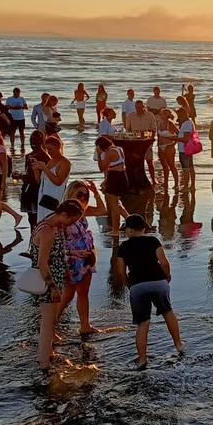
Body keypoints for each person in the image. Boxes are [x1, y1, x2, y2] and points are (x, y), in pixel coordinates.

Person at [114, 213, 185, 370]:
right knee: (168, 312)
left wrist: (129, 286)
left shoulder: (123, 247)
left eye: (126, 229)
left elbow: (121, 272)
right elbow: (164, 263)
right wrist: (166, 278)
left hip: (138, 286)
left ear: (131, 230)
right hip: (159, 282)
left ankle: (142, 360)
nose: (125, 232)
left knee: (143, 323)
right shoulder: (153, 241)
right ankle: (179, 345)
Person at [29, 198, 84, 370]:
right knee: (47, 323)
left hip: (56, 278)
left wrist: (73, 252)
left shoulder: (53, 226)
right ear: (64, 214)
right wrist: (52, 288)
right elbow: (42, 263)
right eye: (71, 220)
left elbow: (55, 251)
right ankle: (44, 363)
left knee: (51, 322)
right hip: (48, 282)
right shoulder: (47, 231)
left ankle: (48, 355)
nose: (71, 225)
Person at [58, 180, 107, 336]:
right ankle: (49, 326)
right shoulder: (64, 213)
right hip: (72, 260)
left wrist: (95, 192)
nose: (83, 197)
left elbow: (102, 210)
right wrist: (65, 264)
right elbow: (57, 242)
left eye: (86, 195)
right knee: (67, 296)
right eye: (79, 194)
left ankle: (85, 325)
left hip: (86, 257)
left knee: (83, 292)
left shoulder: (82, 211)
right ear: (70, 193)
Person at [34, 135, 71, 222]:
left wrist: (45, 168)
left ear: (58, 147)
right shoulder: (51, 161)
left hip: (55, 198)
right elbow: (40, 182)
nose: (48, 152)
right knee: (43, 223)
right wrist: (35, 170)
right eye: (47, 149)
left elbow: (58, 182)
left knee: (53, 224)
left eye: (50, 149)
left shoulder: (64, 162)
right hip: (43, 199)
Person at [19, 130, 50, 229]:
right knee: (30, 217)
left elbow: (42, 178)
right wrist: (21, 176)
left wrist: (22, 176)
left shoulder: (45, 157)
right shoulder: (28, 156)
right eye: (31, 139)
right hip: (28, 189)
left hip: (38, 190)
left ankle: (38, 237)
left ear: (41, 141)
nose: (33, 142)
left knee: (38, 217)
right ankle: (34, 237)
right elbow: (28, 173)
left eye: (36, 140)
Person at [125, 100, 158, 185]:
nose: (138, 109)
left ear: (144, 107)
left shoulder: (150, 115)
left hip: (146, 143)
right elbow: (128, 130)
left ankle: (153, 179)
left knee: (150, 161)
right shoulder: (130, 116)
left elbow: (154, 130)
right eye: (136, 107)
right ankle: (137, 180)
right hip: (134, 143)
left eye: (140, 107)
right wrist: (136, 135)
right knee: (137, 163)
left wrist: (145, 135)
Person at [174, 107, 197, 191]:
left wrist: (175, 139)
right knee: (190, 167)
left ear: (183, 115)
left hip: (184, 149)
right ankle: (192, 185)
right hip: (188, 148)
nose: (178, 118)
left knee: (186, 169)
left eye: (179, 116)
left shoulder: (187, 124)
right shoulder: (189, 122)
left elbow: (186, 138)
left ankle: (187, 186)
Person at [157, 109, 180, 190]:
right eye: (161, 114)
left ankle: (176, 183)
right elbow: (159, 136)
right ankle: (165, 182)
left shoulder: (170, 124)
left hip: (169, 146)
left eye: (163, 114)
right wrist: (158, 147)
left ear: (167, 115)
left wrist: (174, 143)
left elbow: (179, 134)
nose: (161, 116)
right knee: (164, 166)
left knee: (171, 165)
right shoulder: (159, 123)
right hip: (161, 147)